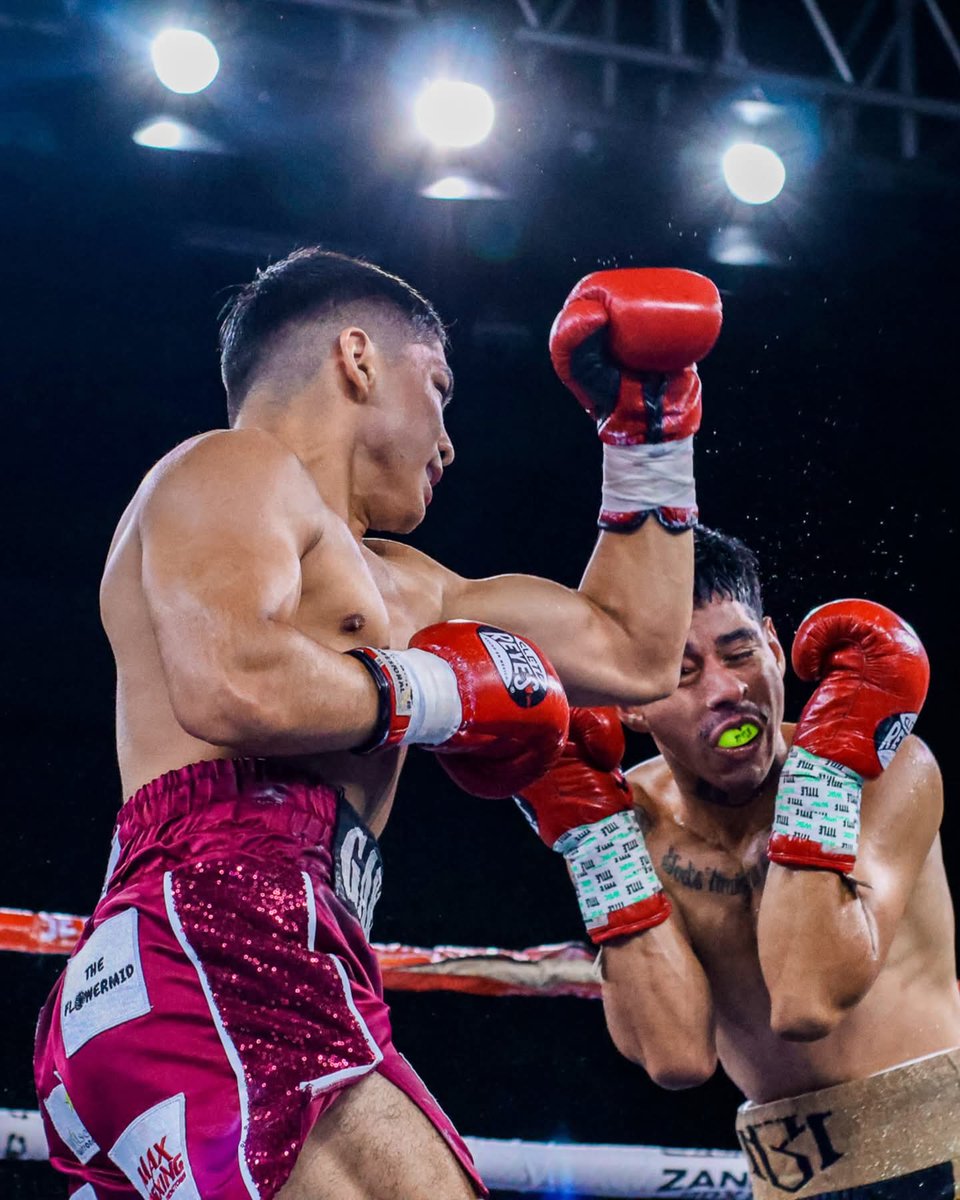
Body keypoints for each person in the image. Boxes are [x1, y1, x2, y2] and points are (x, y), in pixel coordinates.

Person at [32, 249, 724, 1199]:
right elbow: (232, 683)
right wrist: (440, 691)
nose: (450, 440)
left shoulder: (413, 583)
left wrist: (648, 431)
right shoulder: (231, 468)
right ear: (357, 358)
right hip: (220, 935)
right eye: (438, 386)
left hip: (255, 954)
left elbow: (638, 653)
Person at [519, 526, 960, 1199]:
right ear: (632, 700)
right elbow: (674, 1056)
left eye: (741, 652)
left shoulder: (883, 771)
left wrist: (823, 779)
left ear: (778, 649)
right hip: (788, 1185)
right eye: (683, 672)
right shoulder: (623, 821)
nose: (727, 690)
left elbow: (808, 1000)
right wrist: (595, 842)